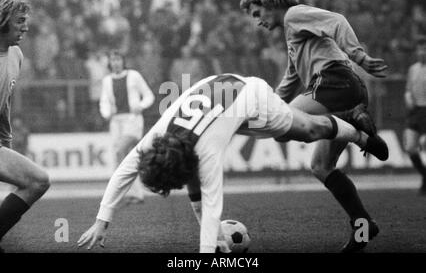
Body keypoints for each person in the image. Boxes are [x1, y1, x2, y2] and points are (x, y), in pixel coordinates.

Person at [78, 73, 388, 253]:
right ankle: (222, 247)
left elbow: (213, 208)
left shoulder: (207, 152)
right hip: (218, 90)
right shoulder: (157, 137)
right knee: (193, 176)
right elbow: (124, 171)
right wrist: (101, 221)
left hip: (250, 96)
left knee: (309, 130)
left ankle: (357, 132)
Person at [240, 0, 389, 252]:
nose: (257, 21)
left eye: (257, 13)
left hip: (334, 82)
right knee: (321, 167)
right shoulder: (292, 32)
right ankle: (363, 225)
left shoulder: (294, 15)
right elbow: (292, 78)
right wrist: (268, 102)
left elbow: (338, 20)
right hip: (346, 94)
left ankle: (355, 127)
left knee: (283, 127)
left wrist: (360, 56)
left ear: (269, 0)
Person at [0, 0, 50, 252]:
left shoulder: (16, 55)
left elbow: (4, 103)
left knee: (38, 181)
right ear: (2, 20)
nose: (25, 27)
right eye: (20, 21)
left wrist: (6, 143)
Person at [100, 50, 155, 204]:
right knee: (125, 158)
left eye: (118, 59)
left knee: (119, 151)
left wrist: (141, 106)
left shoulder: (134, 75)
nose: (115, 62)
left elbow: (149, 95)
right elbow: (104, 102)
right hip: (116, 122)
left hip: (132, 121)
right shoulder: (107, 80)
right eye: (113, 60)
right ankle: (136, 194)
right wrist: (106, 113)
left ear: (123, 61)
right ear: (109, 63)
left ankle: (115, 192)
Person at [404, 36, 426, 195]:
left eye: (424, 48)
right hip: (416, 111)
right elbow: (408, 89)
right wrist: (408, 98)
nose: (422, 52)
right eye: (420, 49)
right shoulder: (413, 68)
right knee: (410, 147)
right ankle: (425, 176)